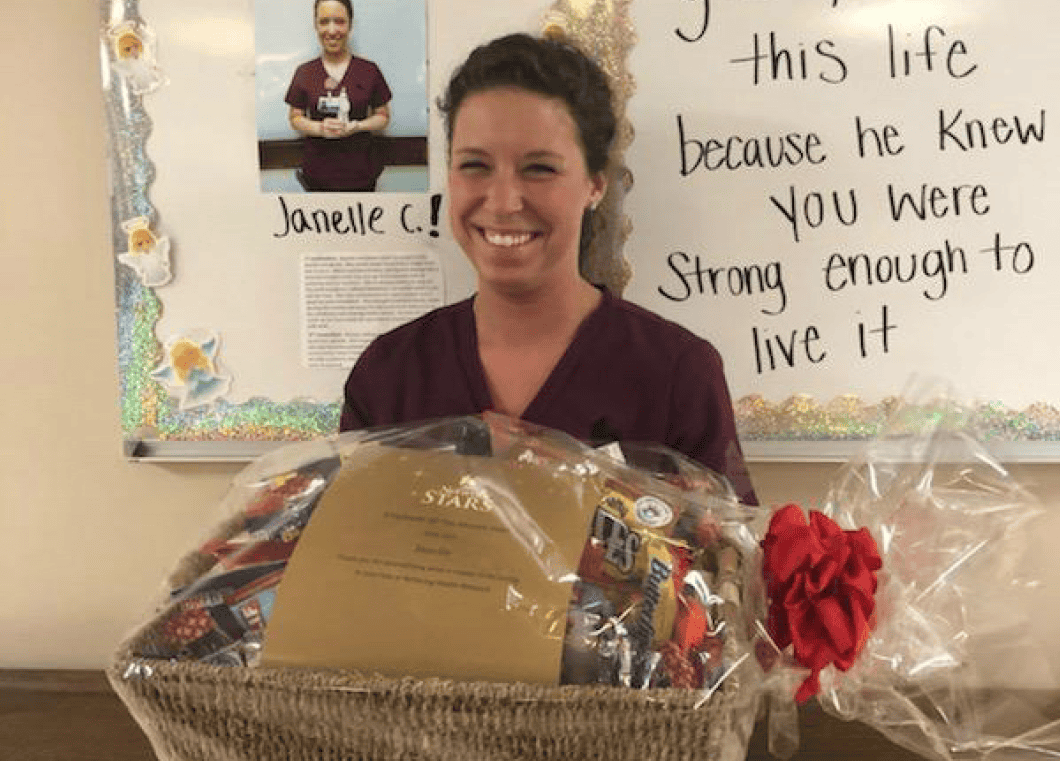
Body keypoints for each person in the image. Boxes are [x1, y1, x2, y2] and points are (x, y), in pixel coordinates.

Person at [339, 33, 757, 504]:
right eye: (475, 165)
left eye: (539, 169)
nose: (502, 201)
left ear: (595, 185)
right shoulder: (389, 374)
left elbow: (728, 561)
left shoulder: (677, 375)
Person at [284, 0, 392, 192]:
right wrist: (319, 128)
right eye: (324, 21)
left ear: (350, 24)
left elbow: (383, 117)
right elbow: (295, 117)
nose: (332, 30)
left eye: (339, 21)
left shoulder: (369, 70)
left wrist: (357, 126)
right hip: (316, 176)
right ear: (315, 24)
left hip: (362, 175)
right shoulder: (304, 72)